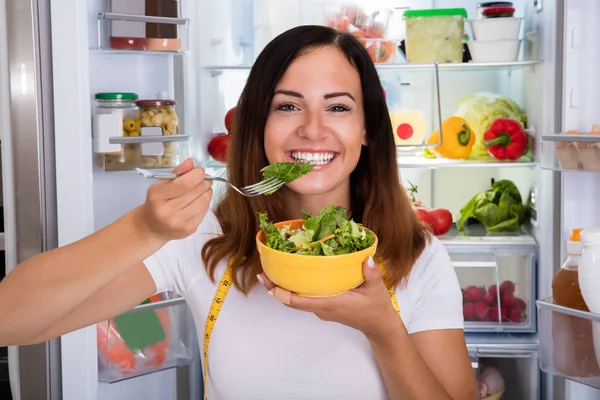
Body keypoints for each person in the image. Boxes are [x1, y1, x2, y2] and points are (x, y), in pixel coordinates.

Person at [0, 25, 478, 399]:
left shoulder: (418, 255)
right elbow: (11, 320)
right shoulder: (206, 238)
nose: (313, 130)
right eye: (288, 106)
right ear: (257, 124)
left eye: (337, 109)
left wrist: (384, 331)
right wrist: (142, 228)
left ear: (369, 129)